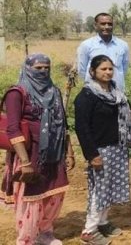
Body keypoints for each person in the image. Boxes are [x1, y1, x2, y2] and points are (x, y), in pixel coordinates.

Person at [1, 53, 75, 245]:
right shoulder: (17, 93)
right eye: (38, 68)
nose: (43, 71)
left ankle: (45, 232)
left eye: (46, 68)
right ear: (27, 69)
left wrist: (69, 151)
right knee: (31, 196)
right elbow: (13, 128)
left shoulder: (54, 91)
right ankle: (27, 238)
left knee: (54, 192)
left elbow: (62, 123)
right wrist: (25, 162)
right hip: (30, 153)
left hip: (55, 152)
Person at [74, 55, 131, 244]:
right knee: (99, 191)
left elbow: (130, 117)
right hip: (100, 151)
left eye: (110, 69)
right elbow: (82, 128)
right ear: (93, 72)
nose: (108, 72)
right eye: (103, 69)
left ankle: (103, 222)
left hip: (117, 148)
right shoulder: (86, 96)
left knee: (110, 188)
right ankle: (89, 230)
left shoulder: (117, 93)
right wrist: (92, 155)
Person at [77, 12, 130, 91]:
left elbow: (124, 69)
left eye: (109, 24)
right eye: (103, 24)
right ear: (95, 26)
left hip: (117, 93)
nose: (107, 27)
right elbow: (82, 70)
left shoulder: (123, 45)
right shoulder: (86, 45)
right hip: (94, 93)